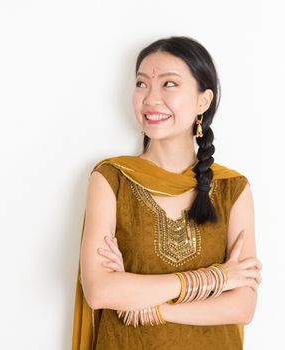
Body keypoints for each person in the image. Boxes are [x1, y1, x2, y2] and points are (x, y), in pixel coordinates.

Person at [71, 35, 263, 350]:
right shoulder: (112, 179)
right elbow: (100, 291)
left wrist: (155, 308)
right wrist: (219, 279)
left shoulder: (232, 188)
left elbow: (242, 307)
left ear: (203, 101)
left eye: (169, 84)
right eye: (142, 84)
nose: (150, 99)